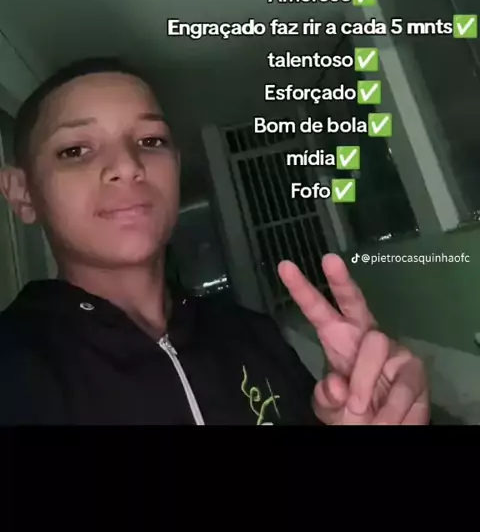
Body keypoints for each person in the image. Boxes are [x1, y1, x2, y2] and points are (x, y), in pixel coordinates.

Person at [0, 58, 429, 425]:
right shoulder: (14, 370)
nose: (128, 166)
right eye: (75, 150)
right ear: (21, 192)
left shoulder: (254, 336)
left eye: (150, 141)